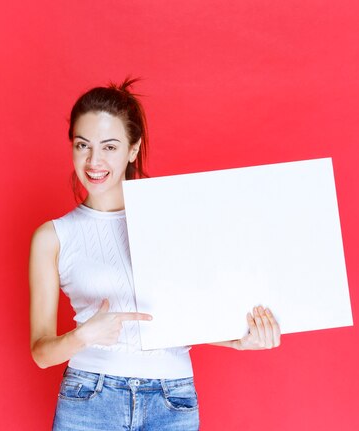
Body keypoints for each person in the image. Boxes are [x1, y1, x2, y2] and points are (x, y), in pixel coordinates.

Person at [29, 78, 281, 431]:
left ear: (133, 149)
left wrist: (238, 340)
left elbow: (175, 316)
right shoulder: (53, 236)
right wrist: (82, 336)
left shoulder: (172, 218)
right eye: (82, 145)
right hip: (89, 397)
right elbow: (41, 353)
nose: (94, 160)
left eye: (110, 147)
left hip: (171, 399)